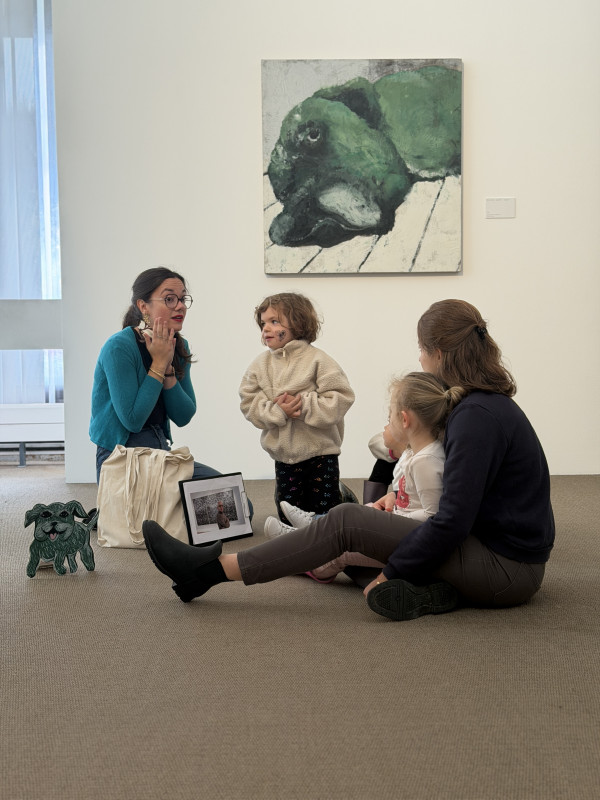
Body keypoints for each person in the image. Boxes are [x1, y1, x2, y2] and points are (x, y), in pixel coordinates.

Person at [142, 298, 555, 622]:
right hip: (495, 557)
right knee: (355, 544)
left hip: (506, 571)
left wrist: (390, 572)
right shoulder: (479, 406)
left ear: (440, 352)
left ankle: (210, 571)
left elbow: (452, 520)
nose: (421, 361)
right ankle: (431, 593)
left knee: (346, 522)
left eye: (422, 351)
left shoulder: (476, 418)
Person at [296, 372, 464, 583]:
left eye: (389, 416)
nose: (387, 422)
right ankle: (309, 531)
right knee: (361, 511)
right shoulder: (414, 454)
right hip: (401, 527)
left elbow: (433, 516)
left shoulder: (426, 461)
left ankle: (307, 561)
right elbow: (411, 496)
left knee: (344, 550)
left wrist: (391, 518)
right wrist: (392, 501)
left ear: (404, 419)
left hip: (411, 540)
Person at [90, 267, 222, 484]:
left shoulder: (178, 345)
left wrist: (168, 368)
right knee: (160, 515)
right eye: (169, 299)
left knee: (234, 502)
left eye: (182, 299)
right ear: (143, 306)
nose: (179, 306)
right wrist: (159, 363)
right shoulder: (119, 347)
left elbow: (184, 415)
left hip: (161, 454)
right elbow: (132, 420)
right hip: (121, 459)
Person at [239, 293, 355, 520]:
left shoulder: (319, 361)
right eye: (263, 323)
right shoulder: (260, 366)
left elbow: (341, 397)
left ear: (298, 323)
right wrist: (277, 411)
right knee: (289, 511)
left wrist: (303, 405)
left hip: (321, 454)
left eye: (275, 322)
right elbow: (248, 403)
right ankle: (293, 548)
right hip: (285, 457)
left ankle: (336, 518)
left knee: (325, 511)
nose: (266, 329)